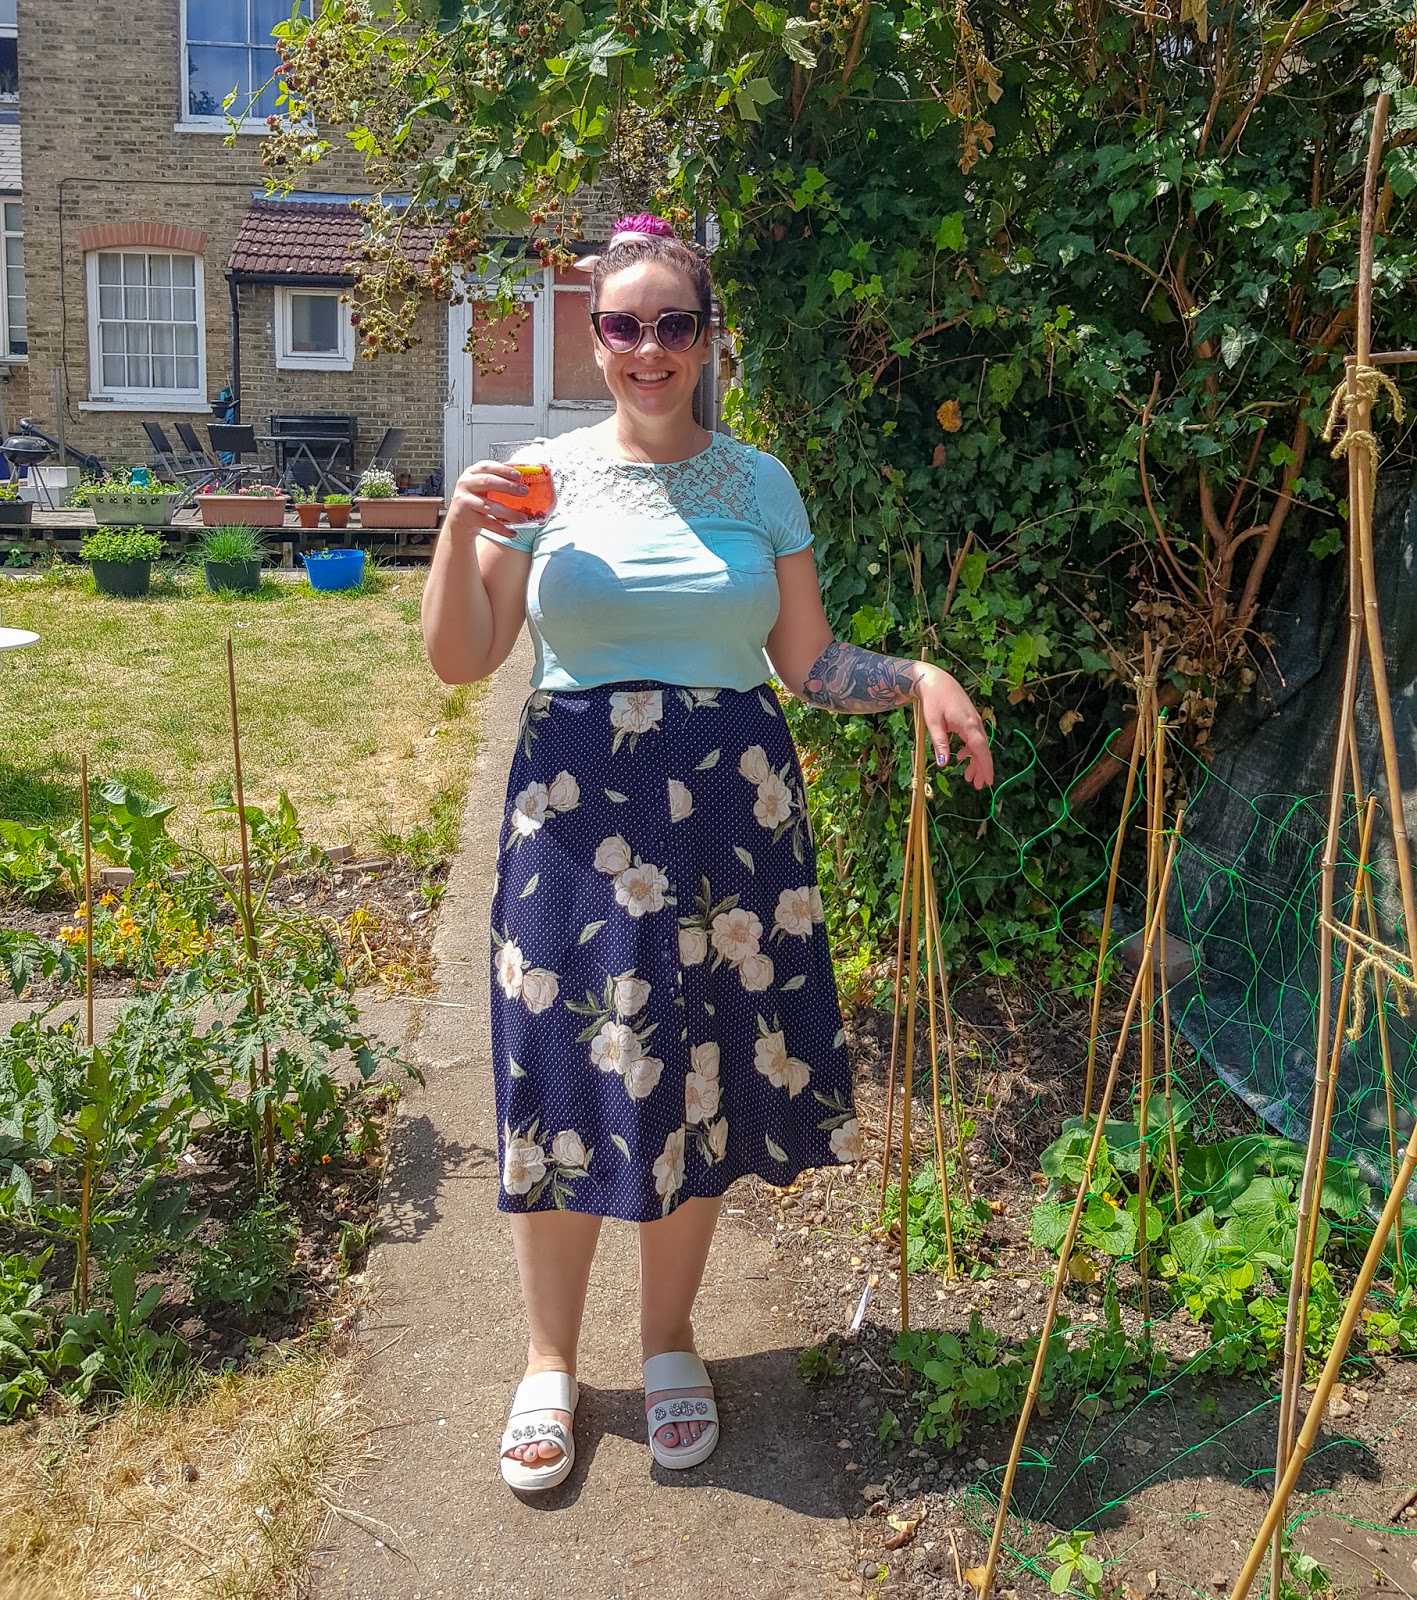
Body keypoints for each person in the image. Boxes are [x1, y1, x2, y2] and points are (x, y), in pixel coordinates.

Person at [421, 213, 995, 1494]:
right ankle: (548, 1360)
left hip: (731, 816)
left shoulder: (758, 483)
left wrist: (917, 677)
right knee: (563, 1071)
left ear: (706, 339)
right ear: (594, 335)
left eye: (672, 324)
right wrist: (459, 532)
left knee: (698, 1073)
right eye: (622, 324)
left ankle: (669, 1339)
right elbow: (462, 658)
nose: (648, 348)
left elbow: (809, 662)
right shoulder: (538, 479)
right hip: (574, 819)